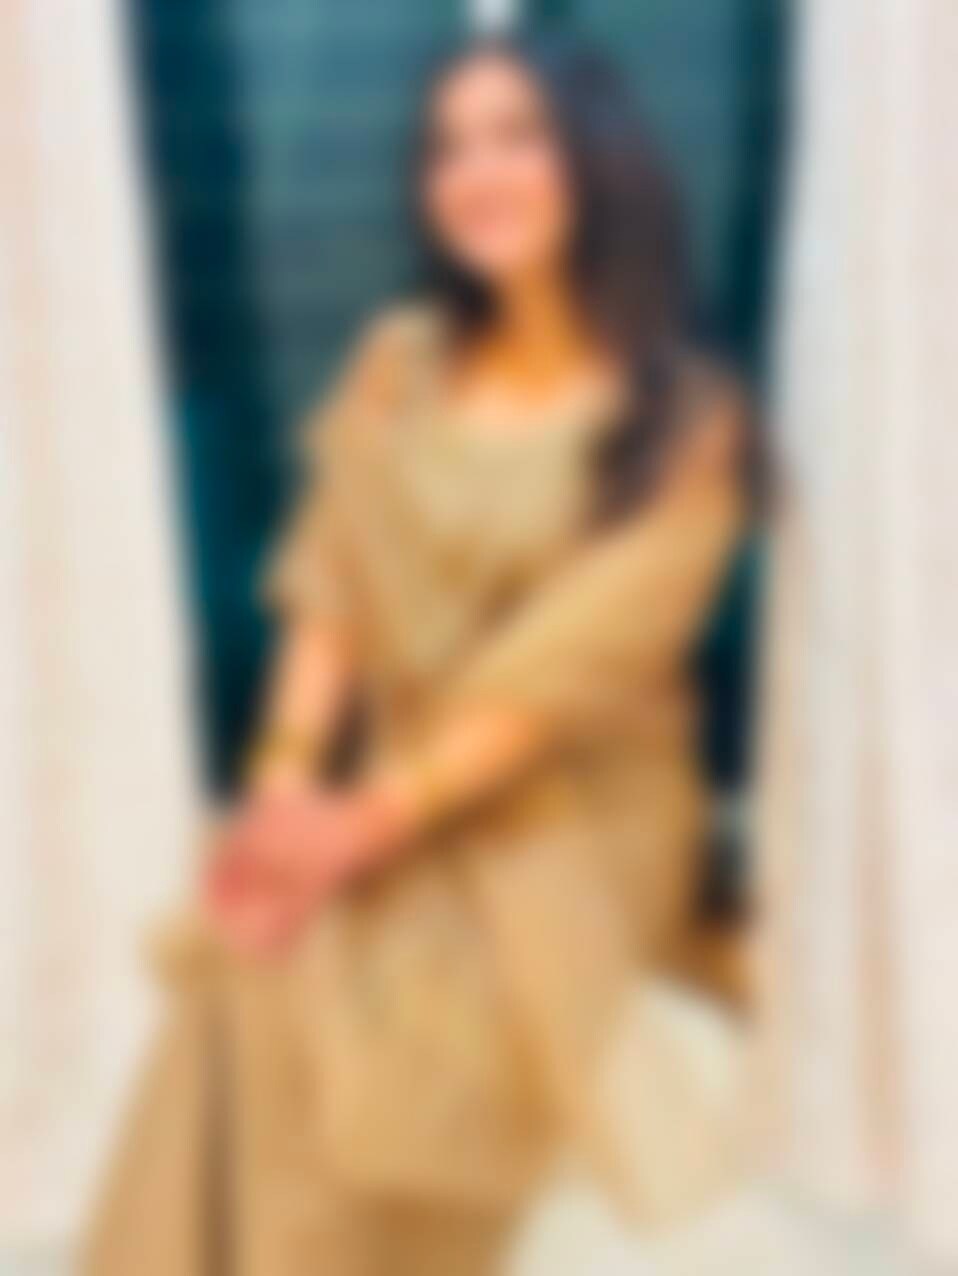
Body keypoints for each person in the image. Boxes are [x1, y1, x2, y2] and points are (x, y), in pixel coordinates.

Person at [85, 30, 749, 1276]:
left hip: (568, 815)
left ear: (596, 160)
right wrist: (283, 788)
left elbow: (552, 679)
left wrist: (355, 831)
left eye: (514, 136)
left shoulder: (684, 418)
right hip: (391, 781)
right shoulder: (398, 358)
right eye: (448, 149)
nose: (475, 174)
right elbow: (329, 587)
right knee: (245, 973)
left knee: (388, 1060)